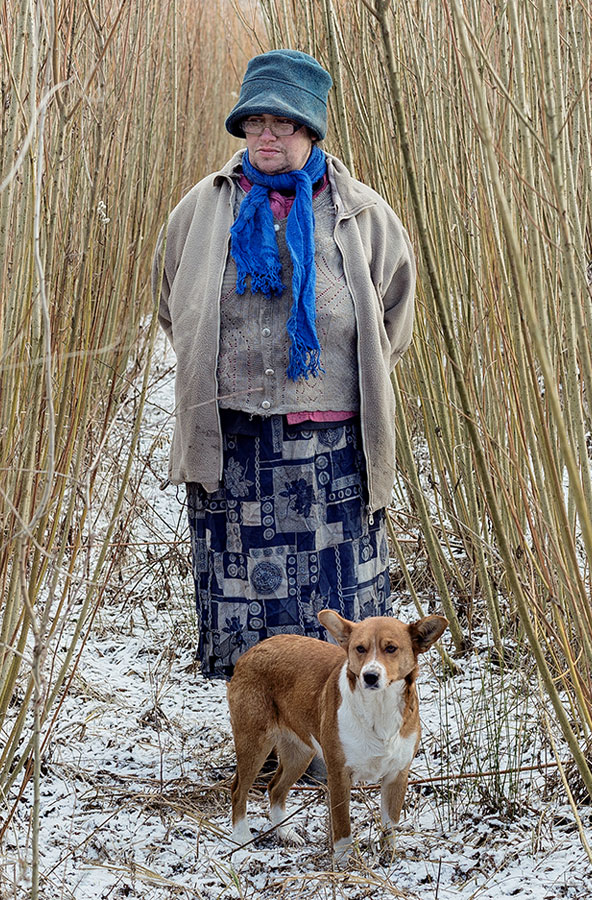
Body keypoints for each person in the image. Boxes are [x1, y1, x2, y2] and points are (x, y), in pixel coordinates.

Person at [155, 49, 417, 679]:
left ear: (311, 131)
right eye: (254, 122)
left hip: (331, 452)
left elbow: (393, 319)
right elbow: (174, 307)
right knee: (248, 605)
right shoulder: (201, 210)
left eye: (284, 123)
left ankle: (336, 740)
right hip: (235, 441)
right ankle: (265, 735)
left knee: (333, 611)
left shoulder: (361, 215)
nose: (265, 135)